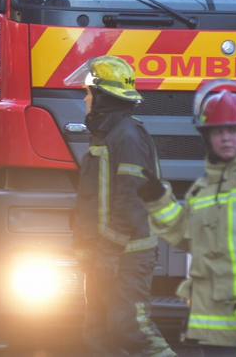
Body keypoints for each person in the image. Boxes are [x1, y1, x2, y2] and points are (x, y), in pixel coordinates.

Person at [137, 85, 236, 356]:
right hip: (214, 324)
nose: (226, 138)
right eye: (218, 131)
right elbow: (187, 236)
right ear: (206, 136)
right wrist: (158, 201)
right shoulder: (203, 187)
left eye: (233, 130)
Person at [66, 55, 176, 357]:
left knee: (132, 329)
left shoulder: (127, 134)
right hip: (106, 258)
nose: (86, 99)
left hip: (125, 257)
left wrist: (108, 251)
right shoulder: (108, 134)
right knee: (99, 337)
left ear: (103, 96)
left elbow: (130, 199)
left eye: (89, 92)